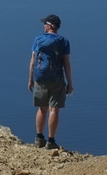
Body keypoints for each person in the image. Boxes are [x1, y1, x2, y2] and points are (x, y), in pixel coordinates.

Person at [28, 14, 73, 149]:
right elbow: (66, 63)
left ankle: (39, 138)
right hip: (57, 78)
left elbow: (32, 61)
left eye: (45, 24)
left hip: (40, 78)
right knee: (54, 110)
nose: (43, 26)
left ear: (49, 26)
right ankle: (51, 141)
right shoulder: (63, 41)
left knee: (42, 108)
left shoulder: (38, 39)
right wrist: (70, 83)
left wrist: (30, 79)